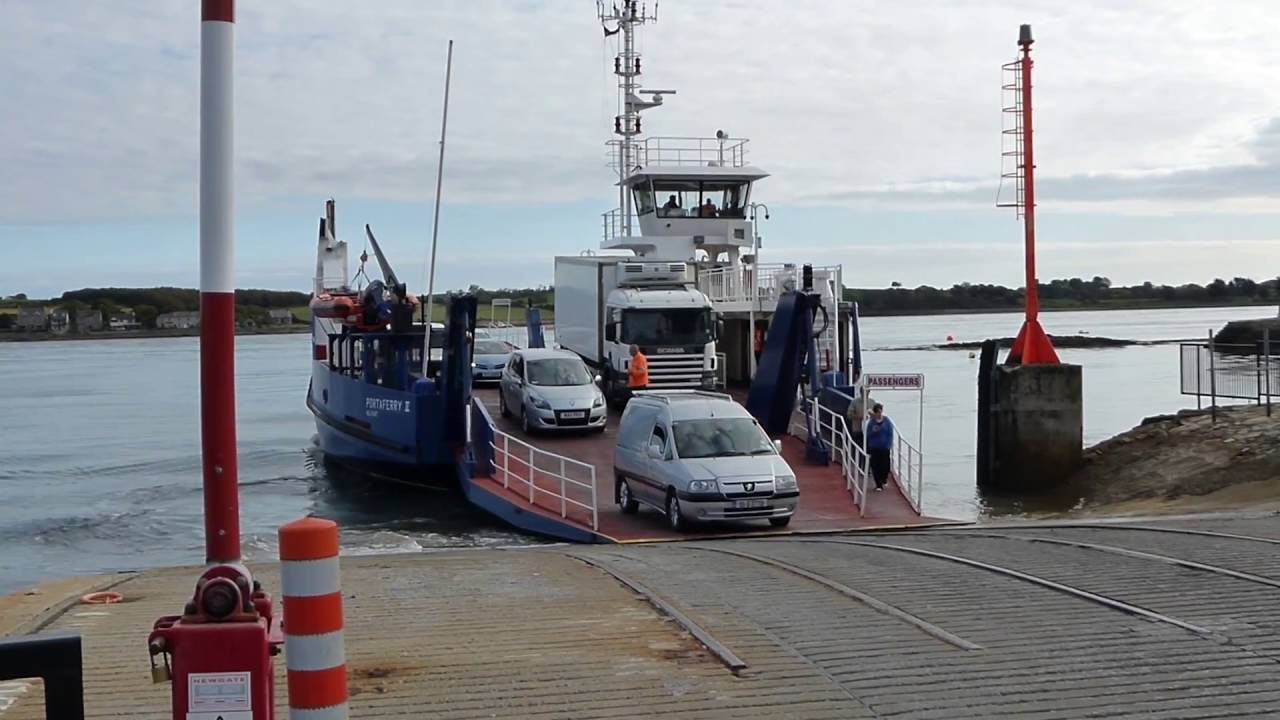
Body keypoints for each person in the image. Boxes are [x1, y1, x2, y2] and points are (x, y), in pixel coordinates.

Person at [864, 402, 894, 492]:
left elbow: (890, 433)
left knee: (885, 465)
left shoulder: (887, 421)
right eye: (877, 412)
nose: (879, 414)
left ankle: (884, 478)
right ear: (875, 413)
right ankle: (878, 484)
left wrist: (889, 444)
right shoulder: (871, 423)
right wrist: (873, 431)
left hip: (885, 447)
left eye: (880, 412)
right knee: (875, 465)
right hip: (874, 446)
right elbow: (868, 434)